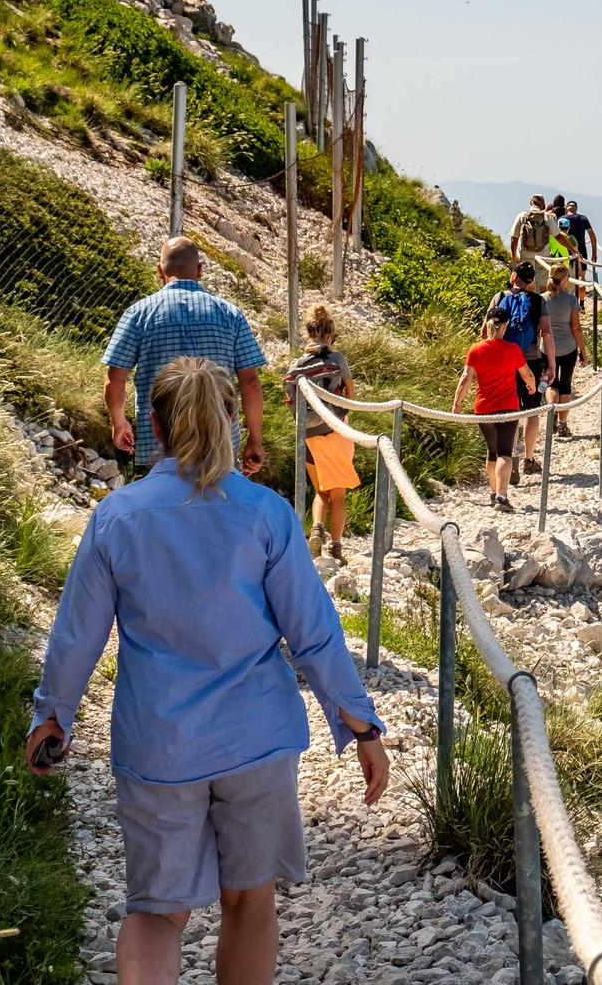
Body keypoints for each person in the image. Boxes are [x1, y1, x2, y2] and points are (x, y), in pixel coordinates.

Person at [28, 357, 388, 985]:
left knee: (157, 911)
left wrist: (53, 714)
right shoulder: (268, 514)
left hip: (158, 745)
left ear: (155, 427)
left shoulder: (117, 518)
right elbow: (313, 632)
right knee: (249, 901)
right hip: (256, 741)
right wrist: (359, 724)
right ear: (229, 421)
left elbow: (76, 634)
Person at [104, 237, 266, 477]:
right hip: (218, 442)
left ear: (160, 272)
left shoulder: (138, 313)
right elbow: (250, 381)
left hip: (159, 443)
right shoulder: (231, 314)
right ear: (200, 270)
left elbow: (115, 378)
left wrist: (119, 423)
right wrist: (255, 438)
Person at [283, 306, 358, 562]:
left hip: (308, 433)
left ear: (309, 333)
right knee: (338, 495)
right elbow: (350, 392)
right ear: (330, 333)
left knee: (320, 491)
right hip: (335, 430)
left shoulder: (297, 364)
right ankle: (336, 547)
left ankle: (316, 528)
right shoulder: (337, 359)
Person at [453, 308, 538, 512]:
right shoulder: (512, 349)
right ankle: (501, 496)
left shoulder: (476, 349)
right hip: (508, 407)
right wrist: (532, 386)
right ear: (506, 326)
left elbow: (466, 378)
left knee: (492, 452)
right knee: (505, 453)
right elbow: (527, 374)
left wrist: (457, 403)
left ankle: (493, 493)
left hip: (483, 408)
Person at [488, 262, 553, 484]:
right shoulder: (538, 301)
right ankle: (529, 458)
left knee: (510, 411)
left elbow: (485, 331)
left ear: (513, 276)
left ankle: (511, 460)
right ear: (531, 281)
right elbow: (546, 334)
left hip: (505, 362)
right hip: (531, 362)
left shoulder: (499, 297)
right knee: (532, 412)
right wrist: (551, 365)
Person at [543, 263, 587, 437]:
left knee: (551, 383)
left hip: (547, 348)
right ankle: (562, 425)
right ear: (564, 279)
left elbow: (541, 328)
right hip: (568, 347)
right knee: (566, 383)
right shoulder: (570, 300)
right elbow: (576, 328)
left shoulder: (542, 299)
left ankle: (551, 413)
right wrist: (583, 349)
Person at [508, 192, 553, 265]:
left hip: (525, 256)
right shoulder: (547, 217)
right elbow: (559, 236)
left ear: (531, 203)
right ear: (543, 205)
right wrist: (573, 250)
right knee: (543, 276)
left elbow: (514, 238)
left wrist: (514, 257)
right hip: (543, 257)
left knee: (526, 275)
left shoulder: (522, 216)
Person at [564, 200, 597, 277]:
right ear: (576, 208)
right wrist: (594, 253)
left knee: (566, 277)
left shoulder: (561, 219)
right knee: (581, 277)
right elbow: (592, 235)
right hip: (581, 250)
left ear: (566, 208)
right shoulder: (583, 219)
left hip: (566, 250)